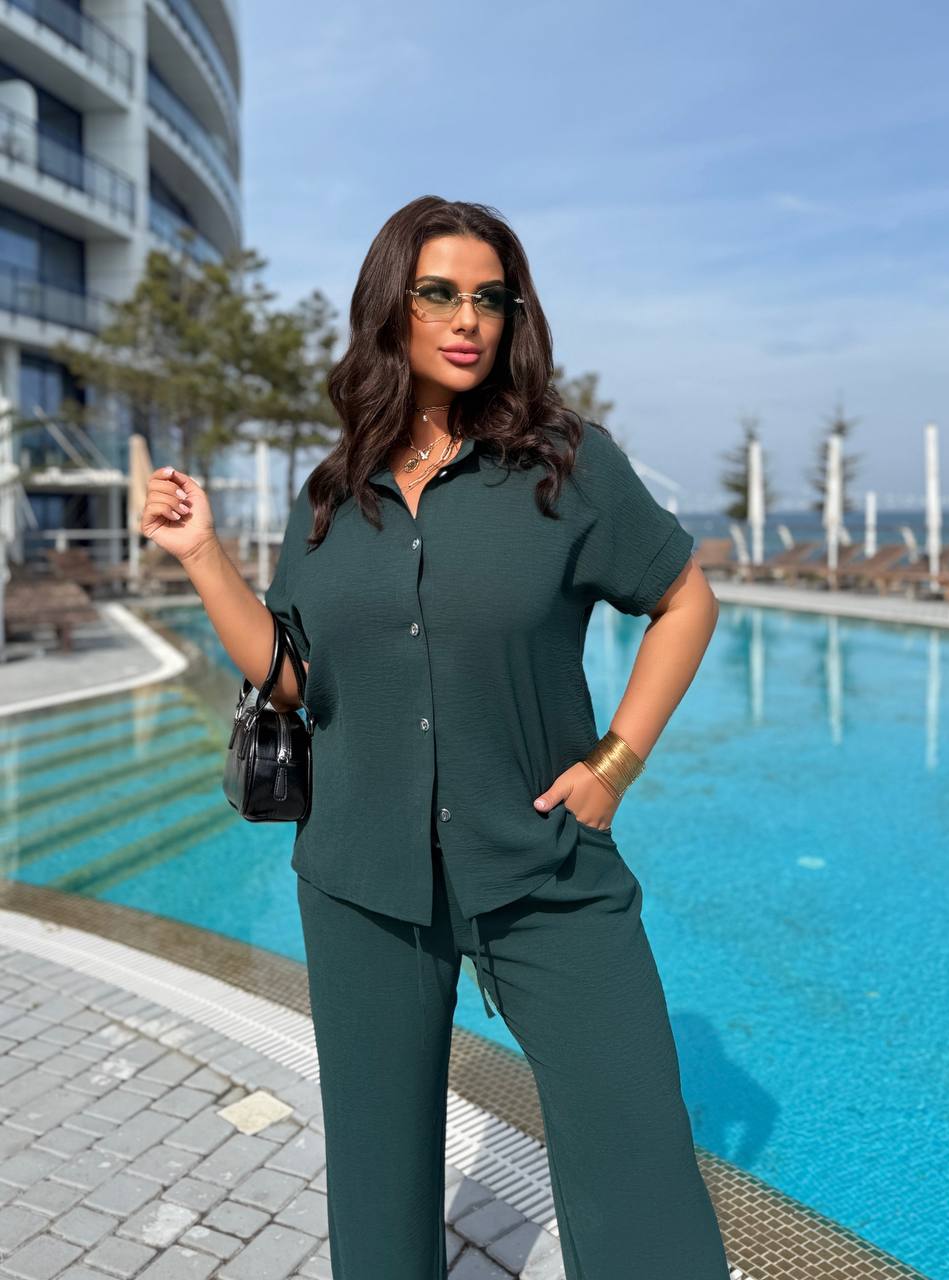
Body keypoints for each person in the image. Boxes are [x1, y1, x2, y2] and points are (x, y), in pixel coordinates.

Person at [142, 195, 731, 1280]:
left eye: (490, 299)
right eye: (440, 294)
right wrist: (201, 557)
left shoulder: (566, 465)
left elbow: (685, 600)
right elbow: (292, 675)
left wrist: (615, 764)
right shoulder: (330, 493)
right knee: (378, 1181)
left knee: (638, 1160)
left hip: (542, 862)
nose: (468, 320)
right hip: (360, 877)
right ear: (392, 306)